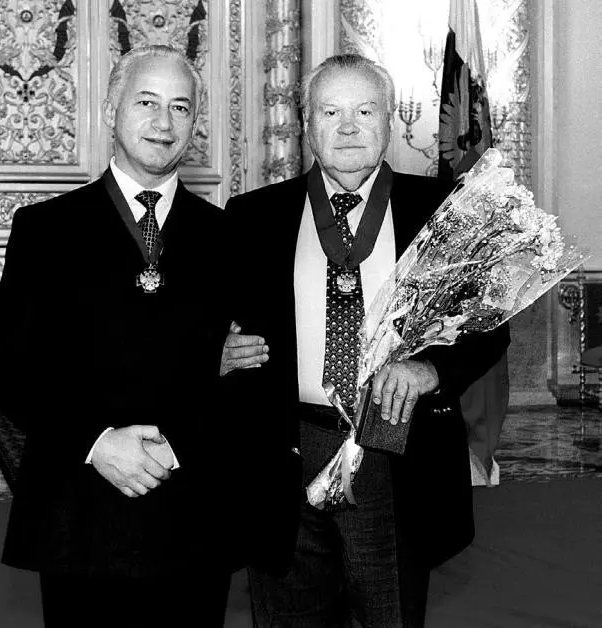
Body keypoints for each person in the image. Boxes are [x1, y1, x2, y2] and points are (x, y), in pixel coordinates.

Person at [221, 54, 510, 627]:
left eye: (365, 111)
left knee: (388, 615)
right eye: (331, 112)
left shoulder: (442, 210)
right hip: (284, 455)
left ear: (389, 119)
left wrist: (431, 370)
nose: (348, 127)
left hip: (395, 448)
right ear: (307, 123)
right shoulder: (252, 216)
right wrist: (217, 350)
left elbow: (489, 324)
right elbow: (206, 317)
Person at [0, 45, 238, 627]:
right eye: (146, 102)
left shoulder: (227, 237)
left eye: (180, 107)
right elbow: (9, 374)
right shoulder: (46, 230)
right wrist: (97, 442)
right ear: (109, 111)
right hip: (79, 515)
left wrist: (177, 444)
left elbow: (251, 370)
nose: (164, 122)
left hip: (193, 514)